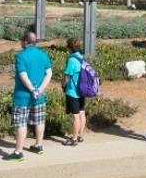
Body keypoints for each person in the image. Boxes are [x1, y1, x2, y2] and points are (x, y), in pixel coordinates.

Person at [5, 30, 52, 162]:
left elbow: (23, 75)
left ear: (25, 42)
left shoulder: (21, 56)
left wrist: (32, 90)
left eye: (22, 40)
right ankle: (38, 145)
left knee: (21, 123)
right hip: (39, 96)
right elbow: (49, 73)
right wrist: (39, 90)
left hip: (22, 96)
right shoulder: (43, 55)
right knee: (39, 120)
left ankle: (18, 152)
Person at [61, 37, 86, 146]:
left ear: (70, 47)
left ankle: (74, 139)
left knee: (75, 116)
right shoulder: (81, 57)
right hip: (82, 90)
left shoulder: (71, 60)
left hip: (73, 91)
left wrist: (62, 85)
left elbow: (67, 76)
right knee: (82, 113)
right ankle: (80, 135)